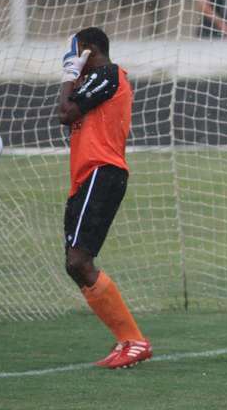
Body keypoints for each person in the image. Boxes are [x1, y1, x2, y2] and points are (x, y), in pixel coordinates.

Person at [57, 27, 152, 369]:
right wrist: (72, 78)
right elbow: (69, 112)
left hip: (103, 171)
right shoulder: (89, 83)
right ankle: (129, 340)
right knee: (75, 265)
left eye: (75, 53)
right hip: (85, 176)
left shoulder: (108, 74)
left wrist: (70, 75)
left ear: (88, 50)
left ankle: (135, 341)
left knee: (78, 261)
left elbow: (66, 112)